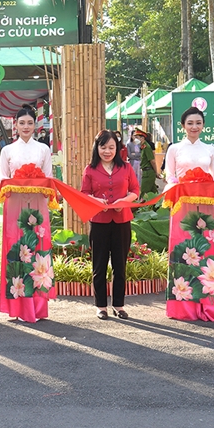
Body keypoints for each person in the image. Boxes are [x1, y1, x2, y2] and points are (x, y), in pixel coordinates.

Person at [163, 107, 214, 321]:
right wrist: (182, 189)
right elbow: (170, 177)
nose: (194, 127)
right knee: (184, 251)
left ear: (203, 126)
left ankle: (209, 306)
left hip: (206, 205)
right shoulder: (175, 149)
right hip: (183, 206)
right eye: (190, 123)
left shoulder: (210, 149)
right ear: (183, 126)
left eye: (198, 123)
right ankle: (183, 306)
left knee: (208, 251)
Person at [0, 104, 55, 322]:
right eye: (22, 123)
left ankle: (38, 306)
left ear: (35, 125)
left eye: (30, 123)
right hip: (14, 206)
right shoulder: (7, 150)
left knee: (37, 250)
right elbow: (2, 180)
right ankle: (17, 305)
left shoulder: (43, 149)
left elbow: (49, 179)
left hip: (38, 205)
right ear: (15, 125)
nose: (26, 126)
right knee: (17, 249)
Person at [81, 130, 139, 320]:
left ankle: (119, 305)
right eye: (103, 147)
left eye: (111, 147)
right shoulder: (90, 169)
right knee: (99, 265)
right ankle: (100, 306)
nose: (107, 151)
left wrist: (124, 200)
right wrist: (97, 202)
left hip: (122, 221)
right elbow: (84, 194)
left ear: (118, 148)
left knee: (119, 265)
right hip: (99, 222)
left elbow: (135, 190)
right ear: (97, 148)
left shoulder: (126, 168)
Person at [136, 129, 161, 195]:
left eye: (137, 137)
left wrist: (156, 172)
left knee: (143, 194)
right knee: (154, 193)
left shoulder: (146, 147)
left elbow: (152, 161)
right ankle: (160, 204)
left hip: (148, 172)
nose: (135, 139)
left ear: (142, 138)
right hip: (147, 172)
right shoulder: (143, 147)